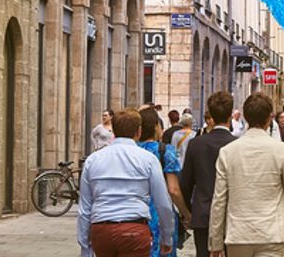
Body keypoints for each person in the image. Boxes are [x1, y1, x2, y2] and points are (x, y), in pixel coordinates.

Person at [208, 92, 284, 257]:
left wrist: (215, 242)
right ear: (269, 119)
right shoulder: (281, 150)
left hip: (239, 234)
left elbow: (219, 200)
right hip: (271, 232)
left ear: (245, 117)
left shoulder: (227, 152)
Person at [77, 109, 176, 257]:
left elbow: (85, 206)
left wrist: (85, 245)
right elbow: (163, 203)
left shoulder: (93, 160)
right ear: (139, 131)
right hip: (134, 229)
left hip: (102, 229)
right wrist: (167, 237)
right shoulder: (148, 160)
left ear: (114, 130)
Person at [182, 92, 237, 257]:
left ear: (210, 115)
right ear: (230, 115)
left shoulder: (196, 144)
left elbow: (186, 181)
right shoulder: (237, 145)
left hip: (203, 212)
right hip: (232, 215)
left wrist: (187, 211)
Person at [138, 107, 193, 254]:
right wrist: (186, 214)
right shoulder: (165, 151)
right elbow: (173, 190)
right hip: (160, 215)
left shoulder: (131, 151)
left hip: (136, 215)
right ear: (156, 126)